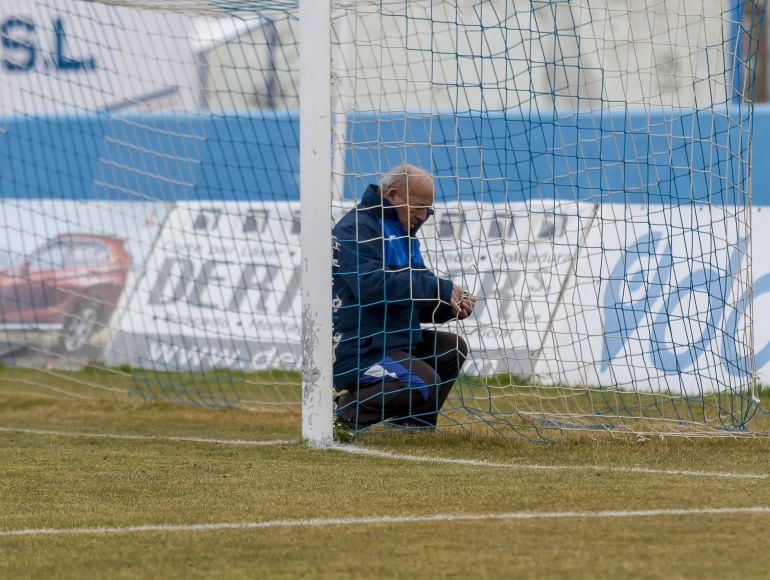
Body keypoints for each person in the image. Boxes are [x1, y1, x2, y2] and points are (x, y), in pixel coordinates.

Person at [332, 164, 475, 431]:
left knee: (452, 349)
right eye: (418, 207)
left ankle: (411, 426)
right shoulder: (355, 229)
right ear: (393, 194)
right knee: (421, 381)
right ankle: (338, 417)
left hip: (390, 339)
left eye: (427, 210)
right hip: (358, 346)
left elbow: (417, 297)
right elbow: (373, 287)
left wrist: (449, 305)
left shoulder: (404, 234)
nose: (423, 216)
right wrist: (438, 290)